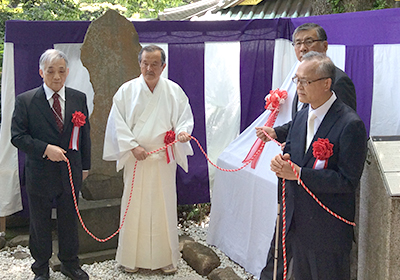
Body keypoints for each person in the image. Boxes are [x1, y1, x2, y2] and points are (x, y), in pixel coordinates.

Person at [258, 23, 357, 280]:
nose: (299, 86)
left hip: (327, 221)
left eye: (305, 81)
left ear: (326, 84)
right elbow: (295, 144)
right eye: (297, 81)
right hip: (298, 215)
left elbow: (346, 178)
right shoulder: (305, 112)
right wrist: (283, 164)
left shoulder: (347, 116)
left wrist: (300, 173)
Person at [102, 45, 194, 274]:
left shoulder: (174, 91)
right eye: (145, 63)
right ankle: (131, 259)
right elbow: (117, 124)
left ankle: (165, 259)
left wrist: (182, 132)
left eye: (155, 64)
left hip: (163, 158)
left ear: (163, 66)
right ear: (139, 64)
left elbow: (184, 118)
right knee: (134, 208)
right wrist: (132, 146)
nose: (149, 68)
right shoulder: (126, 91)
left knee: (164, 207)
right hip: (137, 158)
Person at [11, 49, 91, 280]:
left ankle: (70, 264)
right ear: (41, 72)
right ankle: (41, 268)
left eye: (61, 71)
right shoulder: (26, 101)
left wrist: (85, 166)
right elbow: (17, 137)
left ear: (67, 72)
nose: (56, 76)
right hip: (40, 171)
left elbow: (84, 135)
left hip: (70, 170)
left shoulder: (78, 98)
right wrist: (45, 149)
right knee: (40, 223)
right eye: (51, 71)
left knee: (69, 219)